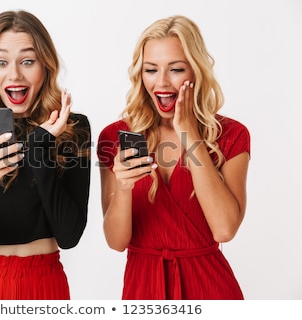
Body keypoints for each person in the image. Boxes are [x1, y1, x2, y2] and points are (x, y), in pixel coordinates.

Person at [97, 15, 250, 300]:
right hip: (142, 288)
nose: (162, 82)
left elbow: (225, 229)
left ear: (196, 71)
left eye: (176, 69)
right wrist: (124, 186)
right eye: (151, 70)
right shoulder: (114, 136)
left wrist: (190, 136)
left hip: (210, 288)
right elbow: (116, 241)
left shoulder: (231, 135)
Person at [0, 10, 91, 300]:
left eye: (28, 61)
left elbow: (69, 235)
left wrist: (41, 144)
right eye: (1, 62)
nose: (14, 74)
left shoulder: (74, 128)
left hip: (44, 284)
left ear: (45, 66)